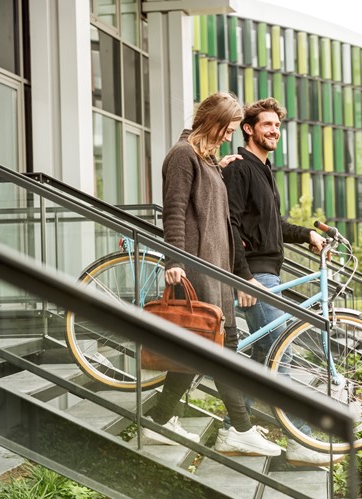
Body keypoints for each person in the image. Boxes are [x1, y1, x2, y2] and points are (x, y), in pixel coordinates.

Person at [143, 92, 281, 458]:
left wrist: (219, 169)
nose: (228, 137)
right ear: (212, 122)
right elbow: (173, 211)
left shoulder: (205, 160)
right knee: (221, 348)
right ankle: (241, 429)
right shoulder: (182, 156)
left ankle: (159, 419)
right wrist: (173, 260)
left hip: (217, 269)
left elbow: (212, 215)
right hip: (196, 266)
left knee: (204, 347)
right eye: (227, 129)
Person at [222, 97, 341, 466]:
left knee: (264, 354)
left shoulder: (264, 170)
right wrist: (243, 279)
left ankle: (233, 429)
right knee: (282, 351)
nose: (274, 131)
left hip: (267, 271)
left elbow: (270, 226)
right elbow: (230, 225)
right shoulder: (240, 169)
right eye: (267, 125)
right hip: (255, 275)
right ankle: (302, 440)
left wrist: (308, 233)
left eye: (277, 126)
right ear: (248, 128)